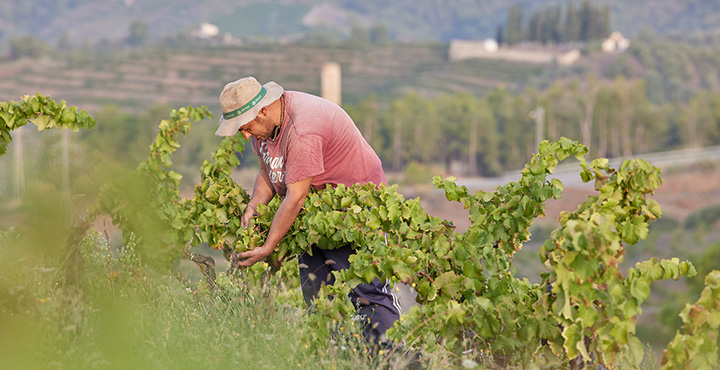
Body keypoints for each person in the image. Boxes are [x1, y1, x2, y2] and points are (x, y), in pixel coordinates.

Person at [215, 76, 402, 344]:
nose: (245, 135)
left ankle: (391, 358)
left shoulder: (303, 129)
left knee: (368, 294)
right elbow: (267, 171)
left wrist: (268, 247)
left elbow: (295, 198)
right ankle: (337, 357)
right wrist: (254, 206)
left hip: (357, 214)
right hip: (315, 217)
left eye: (245, 127)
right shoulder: (265, 127)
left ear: (263, 110)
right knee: (317, 295)